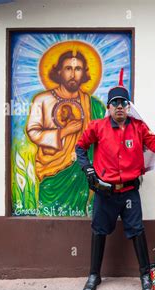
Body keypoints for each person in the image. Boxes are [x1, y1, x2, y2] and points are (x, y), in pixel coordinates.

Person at [75, 78, 155, 290]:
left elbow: (154, 144)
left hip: (130, 192)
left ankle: (144, 275)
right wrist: (88, 170)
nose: (120, 106)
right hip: (105, 192)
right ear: (109, 107)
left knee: (137, 231)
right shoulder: (97, 127)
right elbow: (80, 148)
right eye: (115, 103)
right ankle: (94, 275)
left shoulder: (139, 128)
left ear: (129, 106)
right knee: (99, 231)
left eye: (123, 102)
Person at [26, 50, 106, 214]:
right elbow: (32, 132)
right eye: (68, 68)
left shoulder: (93, 105)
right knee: (49, 208)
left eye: (78, 69)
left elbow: (103, 136)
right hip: (53, 169)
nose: (73, 74)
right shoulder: (42, 100)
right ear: (59, 71)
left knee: (80, 209)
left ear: (84, 73)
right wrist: (63, 132)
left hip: (81, 170)